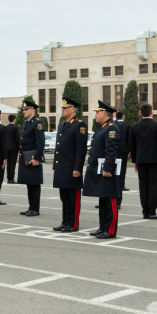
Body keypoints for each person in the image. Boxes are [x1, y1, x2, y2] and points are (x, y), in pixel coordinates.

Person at [83, 101, 121, 239]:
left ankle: (110, 230)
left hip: (107, 170)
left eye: (97, 112)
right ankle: (102, 227)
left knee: (110, 200)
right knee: (103, 200)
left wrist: (108, 168)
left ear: (104, 113)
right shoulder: (103, 127)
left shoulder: (111, 128)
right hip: (100, 169)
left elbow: (111, 150)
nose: (95, 115)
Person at [52, 98, 88, 233]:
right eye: (62, 108)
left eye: (65, 108)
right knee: (64, 198)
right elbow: (58, 147)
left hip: (72, 168)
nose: (62, 110)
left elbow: (81, 149)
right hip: (62, 167)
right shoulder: (62, 125)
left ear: (73, 109)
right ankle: (65, 221)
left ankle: (73, 223)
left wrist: (77, 168)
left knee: (73, 198)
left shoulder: (79, 125)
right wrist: (55, 166)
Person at [129, 103, 157, 220]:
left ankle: (145, 212)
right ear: (152, 112)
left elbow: (132, 146)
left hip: (140, 160)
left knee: (143, 186)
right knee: (153, 186)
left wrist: (134, 161)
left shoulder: (134, 126)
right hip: (155, 160)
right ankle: (152, 211)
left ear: (140, 113)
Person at [17, 100, 45, 216]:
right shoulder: (26, 122)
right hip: (25, 156)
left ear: (33, 110)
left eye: (26, 109)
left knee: (34, 183)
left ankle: (35, 209)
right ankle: (31, 207)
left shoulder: (37, 123)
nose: (24, 111)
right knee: (29, 183)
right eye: (23, 109)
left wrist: (37, 158)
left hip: (33, 156)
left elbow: (40, 142)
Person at [115, 110, 131, 194]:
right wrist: (129, 150)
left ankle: (116, 184)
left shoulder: (114, 124)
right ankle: (122, 184)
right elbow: (129, 139)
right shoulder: (127, 126)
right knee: (123, 168)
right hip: (124, 150)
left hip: (115, 150)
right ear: (123, 116)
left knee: (114, 168)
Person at [5, 114, 20, 184]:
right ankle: (12, 178)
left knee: (8, 163)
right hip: (14, 148)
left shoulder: (6, 127)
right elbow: (17, 139)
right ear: (14, 119)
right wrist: (19, 148)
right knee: (13, 163)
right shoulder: (15, 128)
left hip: (7, 148)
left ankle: (8, 178)